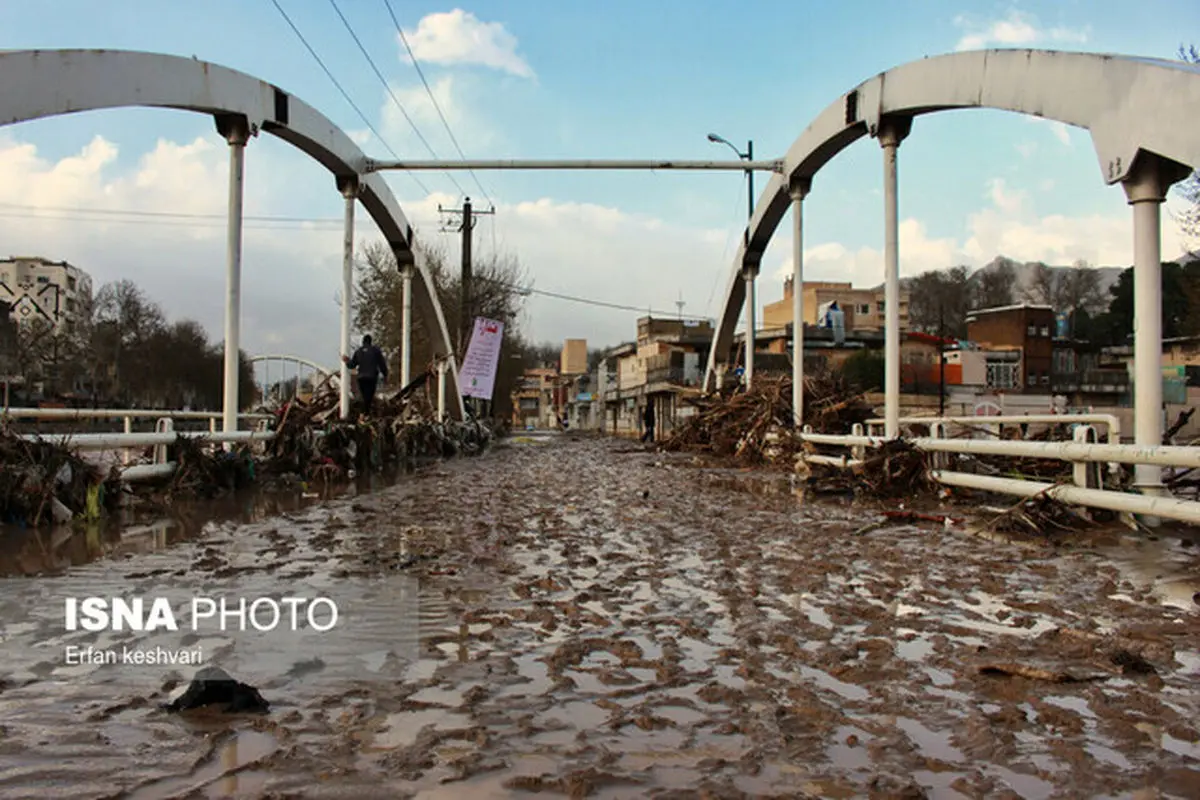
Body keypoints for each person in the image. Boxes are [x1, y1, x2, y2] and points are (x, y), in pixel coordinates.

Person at [342, 334, 388, 415]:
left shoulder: (358, 351)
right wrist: (385, 375)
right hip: (372, 377)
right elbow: (382, 364)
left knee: (364, 396)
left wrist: (346, 361)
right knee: (369, 396)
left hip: (361, 377)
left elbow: (352, 365)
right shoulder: (375, 351)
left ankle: (364, 412)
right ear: (371, 341)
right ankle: (367, 412)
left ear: (363, 342)